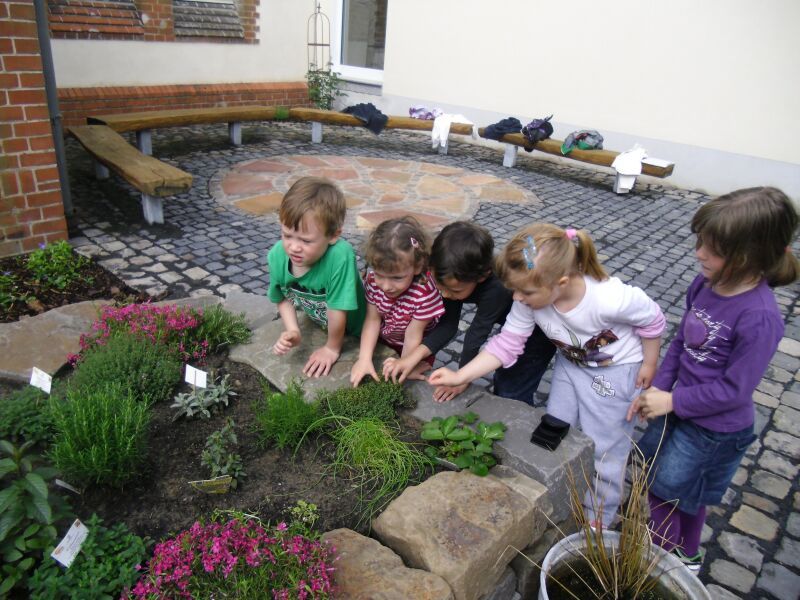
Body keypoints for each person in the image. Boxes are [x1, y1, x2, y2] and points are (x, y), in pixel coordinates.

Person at [429, 223, 665, 528]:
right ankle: (560, 488)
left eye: (524, 291)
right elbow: (507, 342)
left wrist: (650, 363)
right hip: (572, 363)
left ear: (561, 282)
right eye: (514, 289)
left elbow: (653, 319)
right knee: (552, 428)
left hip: (616, 373)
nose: (515, 298)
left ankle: (598, 519)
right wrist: (461, 375)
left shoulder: (610, 298)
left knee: (606, 447)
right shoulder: (530, 298)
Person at [628, 187, 799, 573]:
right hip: (678, 409)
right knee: (661, 477)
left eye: (713, 249)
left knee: (669, 491)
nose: (699, 254)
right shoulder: (704, 285)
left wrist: (672, 401)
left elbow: (735, 390)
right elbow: (681, 345)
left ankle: (656, 566)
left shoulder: (759, 317)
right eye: (700, 242)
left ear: (750, 257)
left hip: (713, 429)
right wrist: (660, 387)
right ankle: (686, 553)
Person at [381, 221, 556, 403]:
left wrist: (462, 378)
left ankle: (517, 417)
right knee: (503, 372)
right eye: (441, 288)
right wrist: (411, 358)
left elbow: (476, 334)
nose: (446, 295)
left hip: (537, 331)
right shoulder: (451, 273)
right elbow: (448, 325)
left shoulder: (496, 288)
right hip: (514, 326)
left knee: (512, 385)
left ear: (482, 276)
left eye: (455, 291)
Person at [268, 176, 366, 377]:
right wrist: (293, 330)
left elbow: (337, 308)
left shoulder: (340, 255)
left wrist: (331, 348)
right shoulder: (276, 255)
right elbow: (282, 297)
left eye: (306, 240)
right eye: (287, 235)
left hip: (360, 329)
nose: (294, 247)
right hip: (322, 322)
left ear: (333, 236)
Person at [350, 216, 445, 386]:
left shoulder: (424, 292)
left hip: (415, 347)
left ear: (417, 266)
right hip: (387, 338)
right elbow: (373, 319)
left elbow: (413, 334)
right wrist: (364, 358)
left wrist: (405, 364)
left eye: (397, 278)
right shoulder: (372, 281)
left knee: (407, 381)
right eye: (379, 274)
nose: (386, 286)